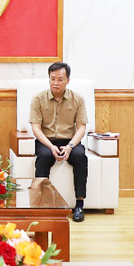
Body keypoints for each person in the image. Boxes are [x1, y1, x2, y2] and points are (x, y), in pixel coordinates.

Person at [30, 62, 89, 222]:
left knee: (80, 157)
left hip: (70, 141)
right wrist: (50, 147)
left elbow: (82, 128)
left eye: (60, 79)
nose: (56, 83)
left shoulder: (78, 99)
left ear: (68, 80)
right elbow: (36, 129)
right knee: (43, 157)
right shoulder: (38, 99)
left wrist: (70, 146)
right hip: (46, 141)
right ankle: (40, 205)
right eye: (52, 79)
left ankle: (79, 205)